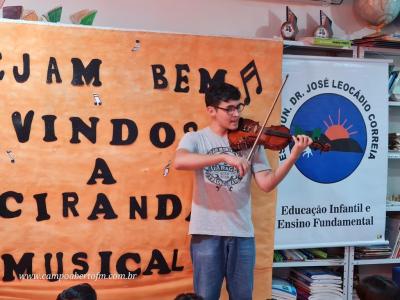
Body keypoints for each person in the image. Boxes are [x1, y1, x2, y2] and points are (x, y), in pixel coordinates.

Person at [173, 81, 312, 300]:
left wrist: (293, 156)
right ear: (211, 110)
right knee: (205, 296)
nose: (236, 113)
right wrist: (222, 156)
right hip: (206, 233)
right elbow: (179, 161)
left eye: (239, 107)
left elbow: (266, 184)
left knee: (242, 297)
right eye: (229, 108)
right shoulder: (196, 138)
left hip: (241, 233)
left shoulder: (252, 140)